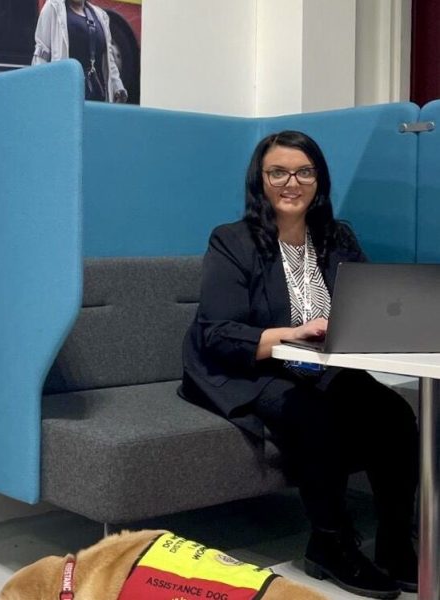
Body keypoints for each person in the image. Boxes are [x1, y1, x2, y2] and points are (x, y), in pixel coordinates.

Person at [181, 130, 419, 599]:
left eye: (304, 171)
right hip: (250, 367)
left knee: (395, 414)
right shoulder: (232, 240)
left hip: (320, 366)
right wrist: (292, 333)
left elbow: (367, 305)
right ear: (260, 180)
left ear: (319, 180)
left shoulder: (337, 236)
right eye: (278, 172)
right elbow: (216, 332)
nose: (292, 182)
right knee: (315, 416)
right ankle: (329, 543)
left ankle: (394, 542)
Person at [32, 0, 128, 103]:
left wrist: (117, 86)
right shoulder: (53, 7)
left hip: (97, 97)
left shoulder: (101, 15)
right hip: (66, 97)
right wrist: (39, 91)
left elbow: (109, 59)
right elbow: (42, 53)